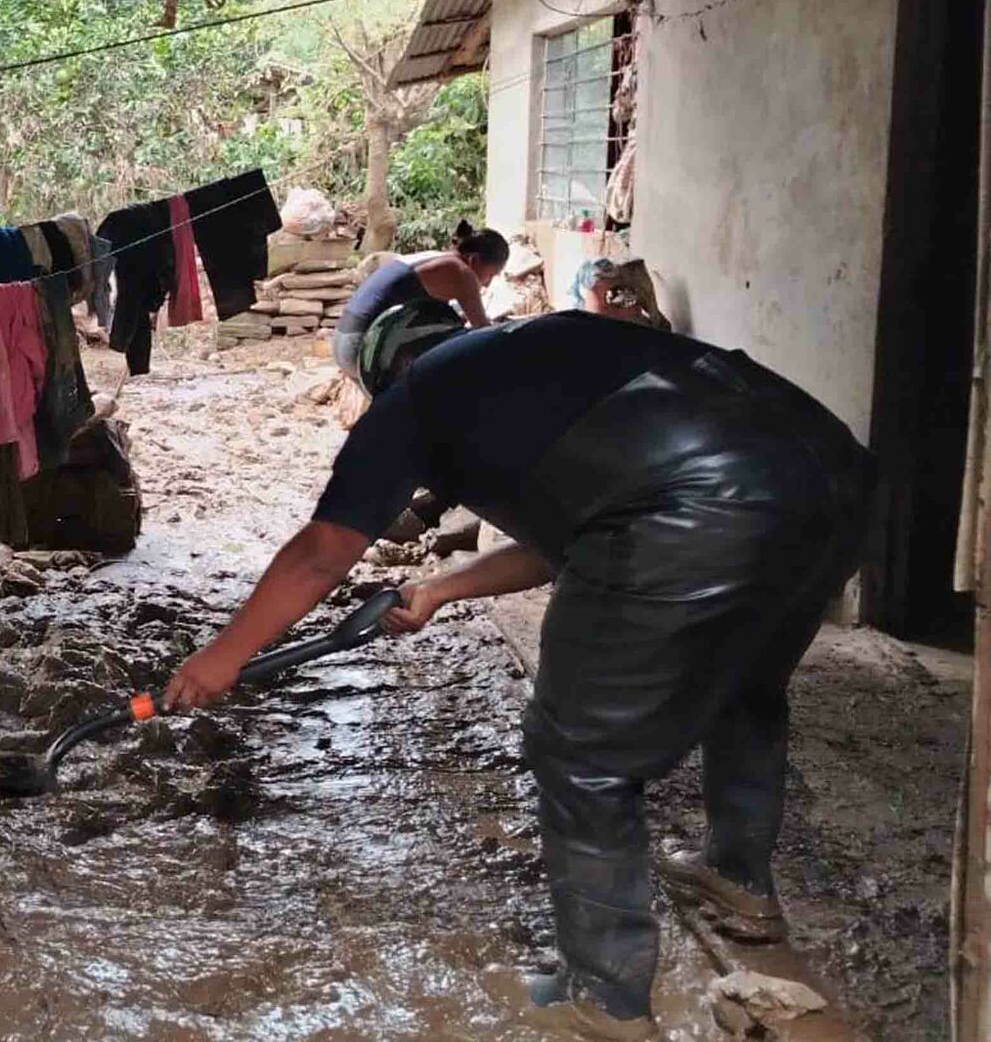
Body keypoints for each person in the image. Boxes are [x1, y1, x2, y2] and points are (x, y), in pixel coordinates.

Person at [165, 301, 873, 1040]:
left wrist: (223, 657)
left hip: (703, 504)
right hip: (831, 477)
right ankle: (737, 879)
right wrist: (439, 589)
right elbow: (576, 533)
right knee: (747, 683)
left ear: (390, 370)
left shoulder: (417, 398)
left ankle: (606, 998)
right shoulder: (538, 363)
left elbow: (321, 553)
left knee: (582, 755)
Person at [330, 221, 510, 379]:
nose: (488, 284)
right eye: (491, 275)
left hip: (343, 340)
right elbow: (482, 330)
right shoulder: (461, 272)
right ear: (474, 260)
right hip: (360, 347)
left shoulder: (434, 258)